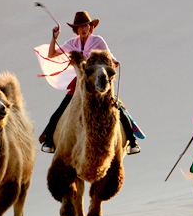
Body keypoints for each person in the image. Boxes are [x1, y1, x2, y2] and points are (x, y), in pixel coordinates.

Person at [40, 11, 140, 154]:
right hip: (80, 83)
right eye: (80, 26)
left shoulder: (97, 40)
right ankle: (49, 140)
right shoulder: (72, 43)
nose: (84, 29)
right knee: (60, 111)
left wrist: (113, 61)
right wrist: (54, 38)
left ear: (90, 27)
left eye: (86, 25)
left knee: (116, 107)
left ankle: (132, 141)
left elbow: (108, 54)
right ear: (76, 29)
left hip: (98, 82)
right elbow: (52, 54)